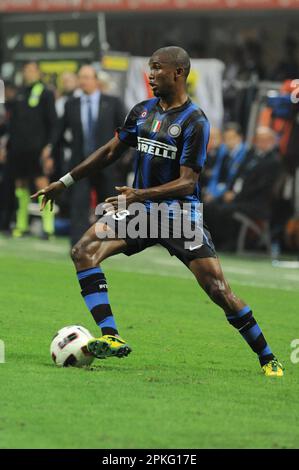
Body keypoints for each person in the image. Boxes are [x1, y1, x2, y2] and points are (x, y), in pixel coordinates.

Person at [32, 47, 283, 377]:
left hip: (180, 217)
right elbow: (109, 152)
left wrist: (138, 194)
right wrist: (63, 182)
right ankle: (111, 336)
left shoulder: (195, 121)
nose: (151, 75)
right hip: (142, 211)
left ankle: (268, 358)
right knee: (83, 251)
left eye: (157, 68)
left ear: (178, 73)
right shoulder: (142, 111)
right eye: (149, 68)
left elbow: (187, 182)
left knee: (219, 291)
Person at [51, 65, 126, 245]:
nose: (83, 81)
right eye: (81, 77)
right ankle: (78, 244)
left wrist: (123, 159)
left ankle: (108, 242)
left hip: (107, 164)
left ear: (96, 80)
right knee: (78, 204)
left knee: (108, 205)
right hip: (81, 164)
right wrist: (55, 156)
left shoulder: (113, 102)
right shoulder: (71, 104)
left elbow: (126, 132)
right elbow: (58, 135)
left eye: (87, 77)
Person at [204, 127, 283, 249]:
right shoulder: (251, 154)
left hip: (255, 203)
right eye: (258, 139)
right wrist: (229, 191)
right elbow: (236, 176)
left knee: (224, 210)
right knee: (209, 206)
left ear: (272, 141)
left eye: (264, 140)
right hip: (238, 197)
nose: (260, 142)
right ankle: (210, 240)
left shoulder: (274, 161)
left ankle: (228, 243)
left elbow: (260, 187)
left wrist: (236, 196)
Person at [7, 62, 57, 239]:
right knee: (20, 185)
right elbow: (12, 124)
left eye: (32, 70)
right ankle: (21, 225)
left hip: (37, 149)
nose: (28, 73)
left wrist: (49, 146)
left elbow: (53, 123)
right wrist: (7, 146)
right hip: (18, 149)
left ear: (38, 73)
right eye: (26, 70)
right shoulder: (19, 93)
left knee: (41, 185)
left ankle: (48, 226)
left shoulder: (46, 92)